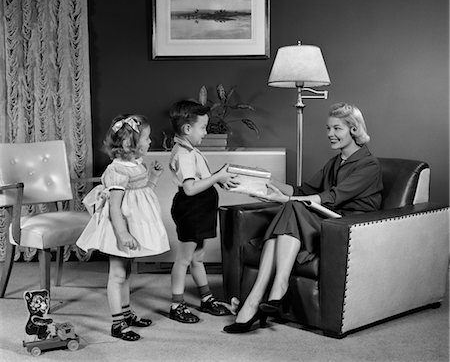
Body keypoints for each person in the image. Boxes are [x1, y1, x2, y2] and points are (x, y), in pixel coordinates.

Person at [223, 102, 383, 333]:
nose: (330, 134)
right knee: (291, 207)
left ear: (354, 129)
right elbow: (302, 190)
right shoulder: (336, 162)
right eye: (328, 128)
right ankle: (261, 296)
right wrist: (266, 184)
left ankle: (265, 293)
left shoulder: (369, 164)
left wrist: (285, 200)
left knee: (292, 208)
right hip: (325, 217)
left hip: (346, 224)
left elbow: (332, 196)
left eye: (337, 129)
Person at [77, 114, 170, 341]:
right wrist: (122, 234)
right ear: (130, 144)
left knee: (126, 273)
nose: (150, 142)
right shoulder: (117, 171)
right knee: (117, 275)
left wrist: (154, 177)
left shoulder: (135, 166)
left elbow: (142, 193)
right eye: (146, 138)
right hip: (119, 227)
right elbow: (116, 208)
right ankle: (117, 323)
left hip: (131, 224)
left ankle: (126, 313)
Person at [168, 100, 238, 323]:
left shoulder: (189, 150)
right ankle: (176, 304)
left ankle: (206, 298)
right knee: (184, 259)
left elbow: (199, 179)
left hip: (201, 210)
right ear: (187, 129)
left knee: (197, 257)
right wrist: (217, 177)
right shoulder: (184, 154)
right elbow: (190, 189)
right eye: (203, 127)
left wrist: (218, 177)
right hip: (192, 210)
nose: (206, 132)